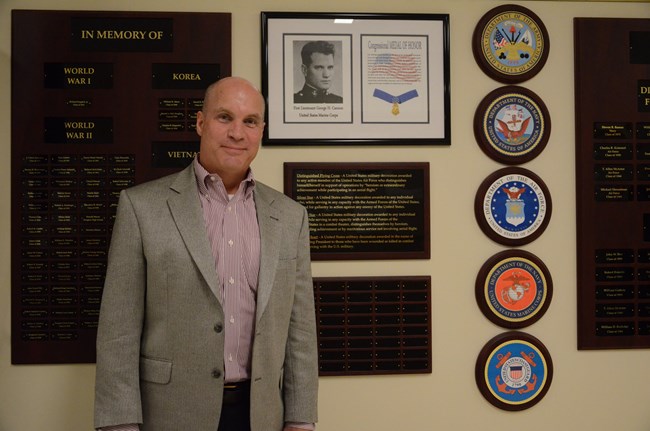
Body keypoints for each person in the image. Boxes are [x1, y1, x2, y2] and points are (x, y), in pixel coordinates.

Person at [94, 76, 319, 431]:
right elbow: (118, 331)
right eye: (224, 117)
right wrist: (120, 423)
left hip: (259, 415)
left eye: (250, 122)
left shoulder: (291, 216)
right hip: (171, 414)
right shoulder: (142, 207)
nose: (237, 133)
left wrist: (301, 418)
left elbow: (301, 331)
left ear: (261, 131)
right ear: (201, 122)